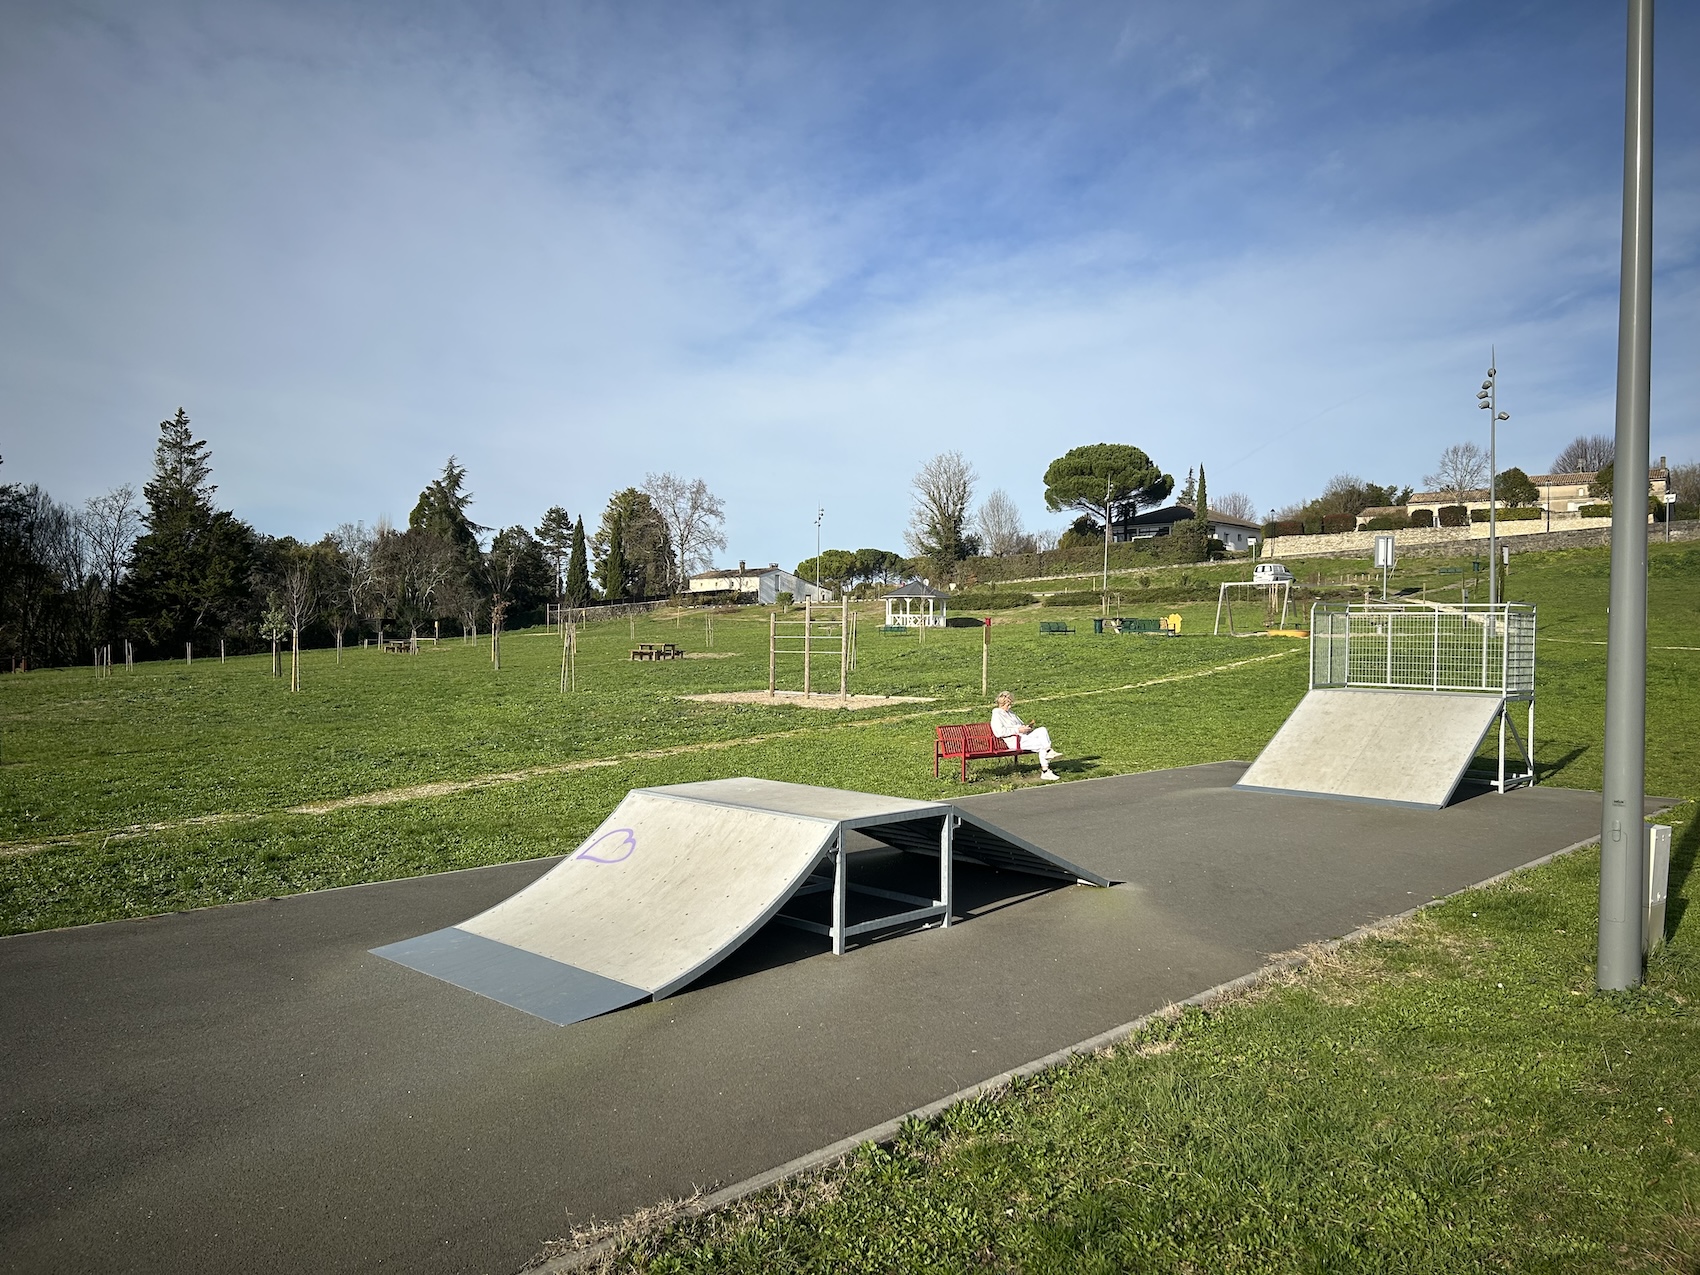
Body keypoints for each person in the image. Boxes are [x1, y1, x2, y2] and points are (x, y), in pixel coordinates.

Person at [991, 690, 1061, 781]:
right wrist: (1018, 729)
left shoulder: (1011, 713)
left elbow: (1020, 724)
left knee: (1042, 730)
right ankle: (1045, 771)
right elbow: (999, 732)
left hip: (1024, 736)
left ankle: (1048, 750)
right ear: (1002, 704)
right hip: (1015, 740)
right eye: (1008, 704)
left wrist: (1026, 727)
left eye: (1010, 704)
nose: (1010, 706)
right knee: (1041, 745)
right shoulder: (997, 714)